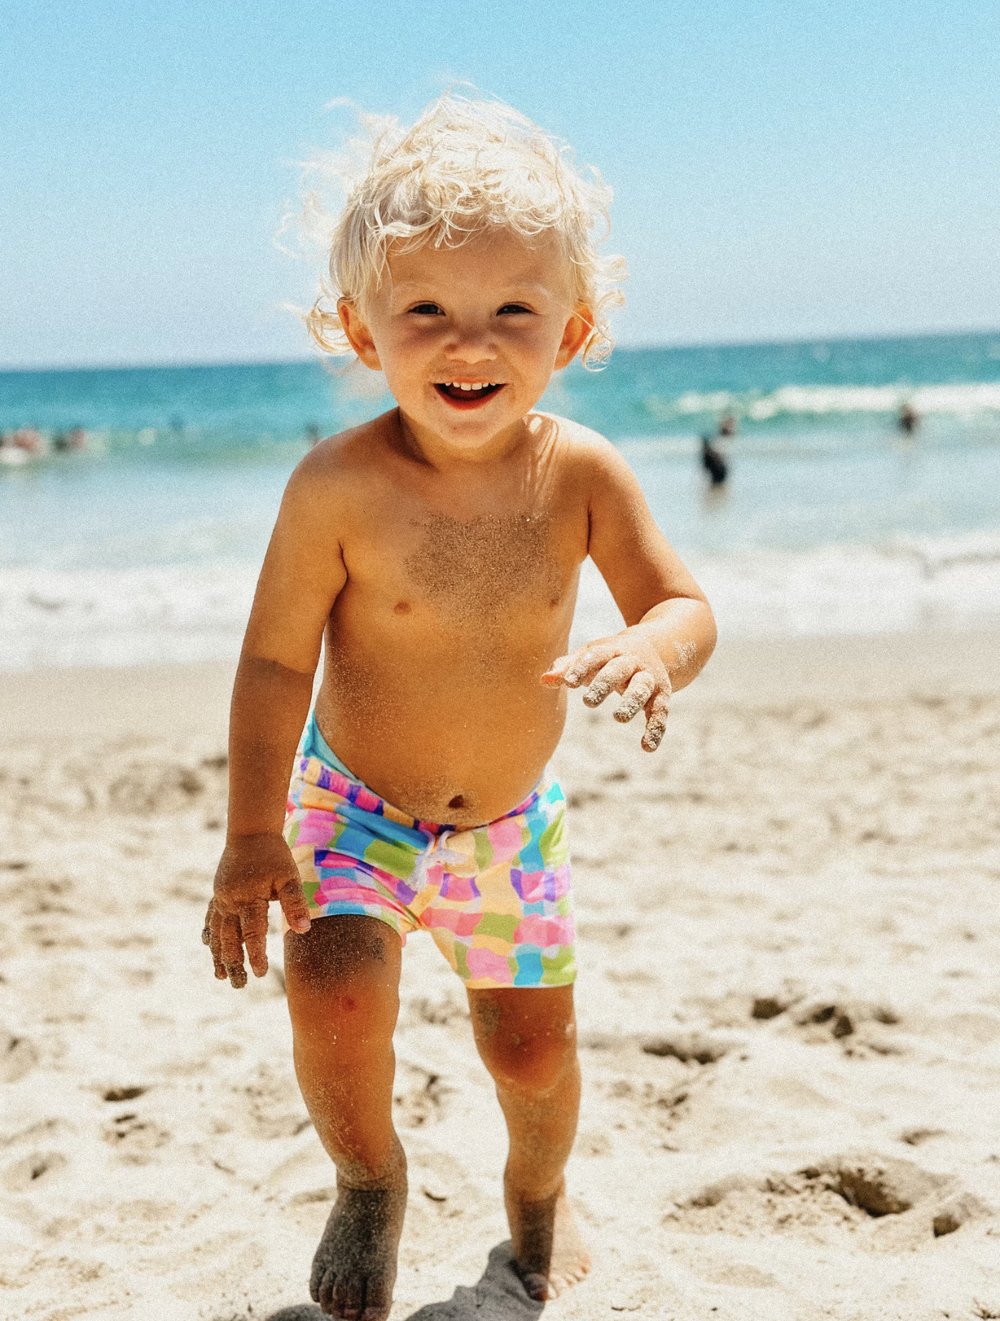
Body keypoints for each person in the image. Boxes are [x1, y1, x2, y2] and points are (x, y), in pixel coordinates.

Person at [202, 94, 716, 1321]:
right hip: (352, 803)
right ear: (357, 328)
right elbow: (275, 665)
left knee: (533, 1055)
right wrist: (249, 836)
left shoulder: (584, 472)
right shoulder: (335, 486)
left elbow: (685, 603)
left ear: (572, 329)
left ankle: (537, 1198)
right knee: (329, 990)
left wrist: (652, 647)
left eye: (511, 313)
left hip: (509, 828)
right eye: (425, 309)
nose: (467, 343)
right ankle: (367, 1175)